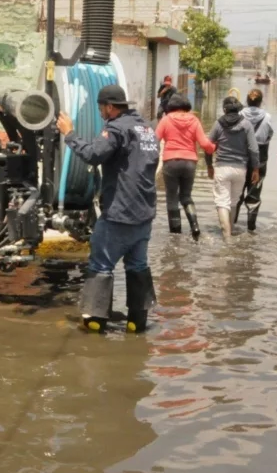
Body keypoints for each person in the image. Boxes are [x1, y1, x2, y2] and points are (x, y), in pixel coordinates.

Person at [57, 84, 160, 333]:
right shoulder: (147, 129)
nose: (101, 112)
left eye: (102, 108)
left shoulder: (116, 128)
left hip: (119, 213)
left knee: (101, 265)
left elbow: (93, 154)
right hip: (144, 214)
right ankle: (137, 323)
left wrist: (69, 134)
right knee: (137, 266)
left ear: (110, 107)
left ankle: (94, 322)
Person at [154, 92, 215, 240]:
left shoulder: (166, 120)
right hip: (190, 163)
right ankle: (195, 227)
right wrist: (213, 148)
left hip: (171, 162)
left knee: (172, 198)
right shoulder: (194, 120)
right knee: (186, 196)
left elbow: (154, 140)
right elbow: (204, 143)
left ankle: (175, 235)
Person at [206, 96, 260, 238]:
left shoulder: (218, 124)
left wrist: (209, 166)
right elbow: (253, 149)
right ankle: (230, 232)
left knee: (222, 202)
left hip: (222, 168)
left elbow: (208, 146)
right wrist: (255, 169)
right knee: (234, 201)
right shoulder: (246, 125)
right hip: (240, 169)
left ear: (224, 109)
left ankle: (227, 235)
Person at [236, 89, 275, 232]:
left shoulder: (239, 115)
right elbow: (269, 135)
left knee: (237, 192)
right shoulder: (267, 117)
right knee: (254, 193)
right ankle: (251, 229)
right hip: (260, 158)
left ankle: (232, 225)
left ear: (247, 100)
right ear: (260, 102)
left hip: (241, 156)